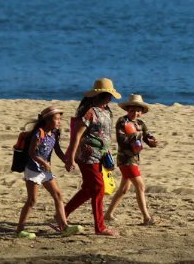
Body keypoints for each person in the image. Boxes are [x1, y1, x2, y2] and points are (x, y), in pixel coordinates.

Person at [62, 77, 121, 237]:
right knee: (98, 188)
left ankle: (62, 214)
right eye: (108, 95)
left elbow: (105, 134)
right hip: (87, 156)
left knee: (89, 189)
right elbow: (77, 136)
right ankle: (100, 227)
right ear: (100, 95)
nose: (110, 98)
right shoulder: (89, 112)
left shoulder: (107, 110)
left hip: (101, 155)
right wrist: (70, 158)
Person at [15, 106, 72, 238]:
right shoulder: (38, 133)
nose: (59, 122)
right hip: (33, 170)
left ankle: (64, 226)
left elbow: (57, 150)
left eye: (60, 119)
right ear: (46, 120)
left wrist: (66, 161)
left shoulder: (54, 133)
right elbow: (32, 153)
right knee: (32, 201)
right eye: (56, 119)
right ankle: (19, 230)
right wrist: (44, 162)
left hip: (46, 171)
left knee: (58, 195)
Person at [106, 94, 160, 225]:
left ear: (141, 112)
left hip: (135, 159)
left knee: (123, 189)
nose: (135, 113)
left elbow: (147, 137)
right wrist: (137, 135)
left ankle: (108, 214)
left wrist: (153, 142)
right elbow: (121, 140)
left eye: (138, 111)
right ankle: (146, 218)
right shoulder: (122, 121)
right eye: (132, 110)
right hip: (125, 160)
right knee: (140, 186)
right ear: (127, 110)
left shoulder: (141, 123)